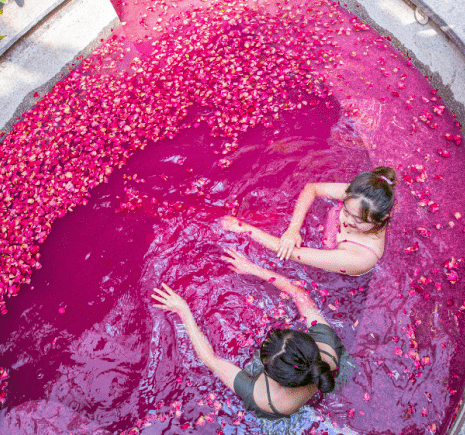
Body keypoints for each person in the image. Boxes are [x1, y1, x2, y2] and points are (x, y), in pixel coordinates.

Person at [151, 250, 344, 420]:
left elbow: (211, 359)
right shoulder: (326, 345)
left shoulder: (263, 397)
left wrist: (183, 310)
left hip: (282, 409)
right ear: (308, 342)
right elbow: (298, 294)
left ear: (269, 373)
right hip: (327, 379)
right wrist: (253, 268)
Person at [221, 166, 396, 276]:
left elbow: (292, 253)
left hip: (335, 266)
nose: (348, 221)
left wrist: (243, 228)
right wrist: (293, 228)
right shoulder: (358, 198)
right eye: (346, 211)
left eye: (358, 220)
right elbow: (312, 189)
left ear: (381, 219)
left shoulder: (361, 258)